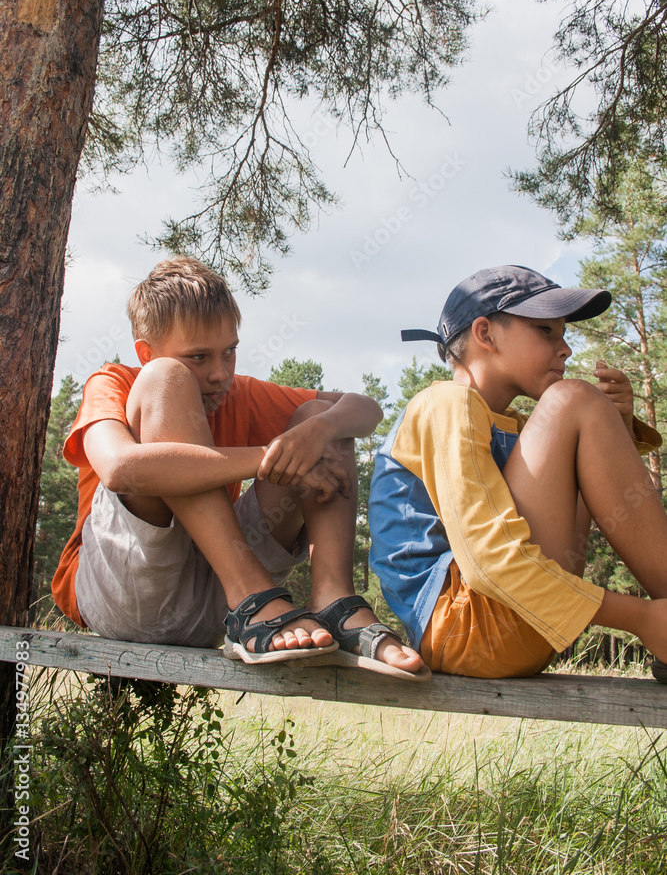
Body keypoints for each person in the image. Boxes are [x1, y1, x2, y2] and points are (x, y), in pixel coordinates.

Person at [52, 256, 428, 679]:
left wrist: (319, 429)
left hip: (219, 607)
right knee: (165, 380)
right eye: (198, 356)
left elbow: (365, 408)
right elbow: (120, 469)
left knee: (321, 417)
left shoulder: (239, 392)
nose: (219, 374)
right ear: (145, 350)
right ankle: (252, 594)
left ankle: (333, 598)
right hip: (129, 596)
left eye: (229, 351)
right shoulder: (115, 381)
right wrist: (269, 459)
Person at [369, 264, 667, 683]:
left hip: (521, 621)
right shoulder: (445, 405)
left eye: (564, 335)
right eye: (546, 331)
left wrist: (613, 428)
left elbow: (590, 508)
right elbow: (487, 563)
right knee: (573, 399)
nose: (565, 349)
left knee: (577, 405)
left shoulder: (514, 425)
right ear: (485, 334)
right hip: (468, 625)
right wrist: (644, 619)